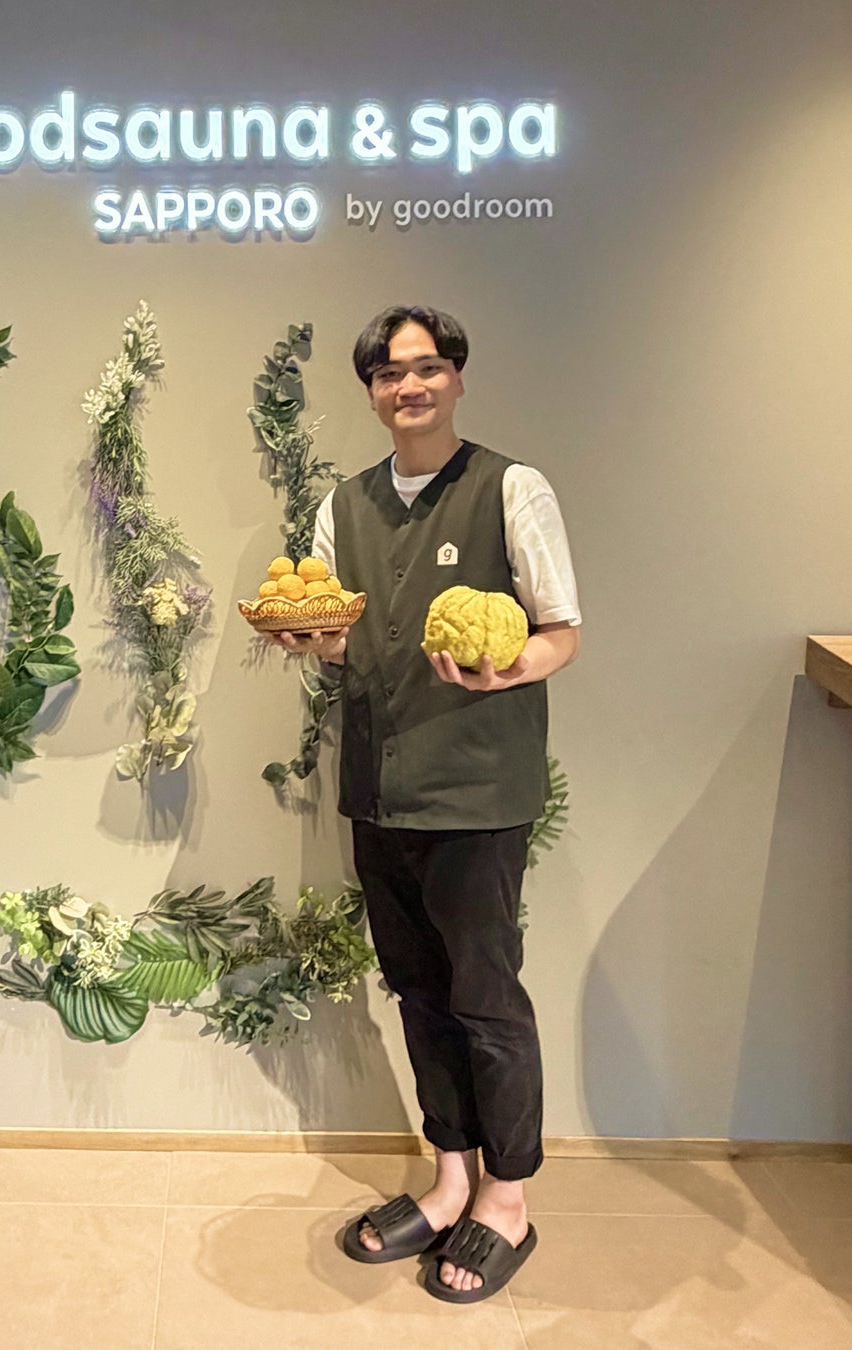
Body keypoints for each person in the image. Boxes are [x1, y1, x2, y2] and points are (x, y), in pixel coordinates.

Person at [265, 304, 581, 1303]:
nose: (408, 386)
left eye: (427, 367)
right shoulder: (342, 505)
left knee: (486, 999)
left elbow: (562, 630)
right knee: (416, 993)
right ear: (370, 392)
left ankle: (506, 1200)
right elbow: (342, 638)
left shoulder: (510, 488)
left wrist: (508, 667)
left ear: (456, 377)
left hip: (478, 791)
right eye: (388, 373)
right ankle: (449, 1183)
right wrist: (315, 642)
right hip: (379, 788)